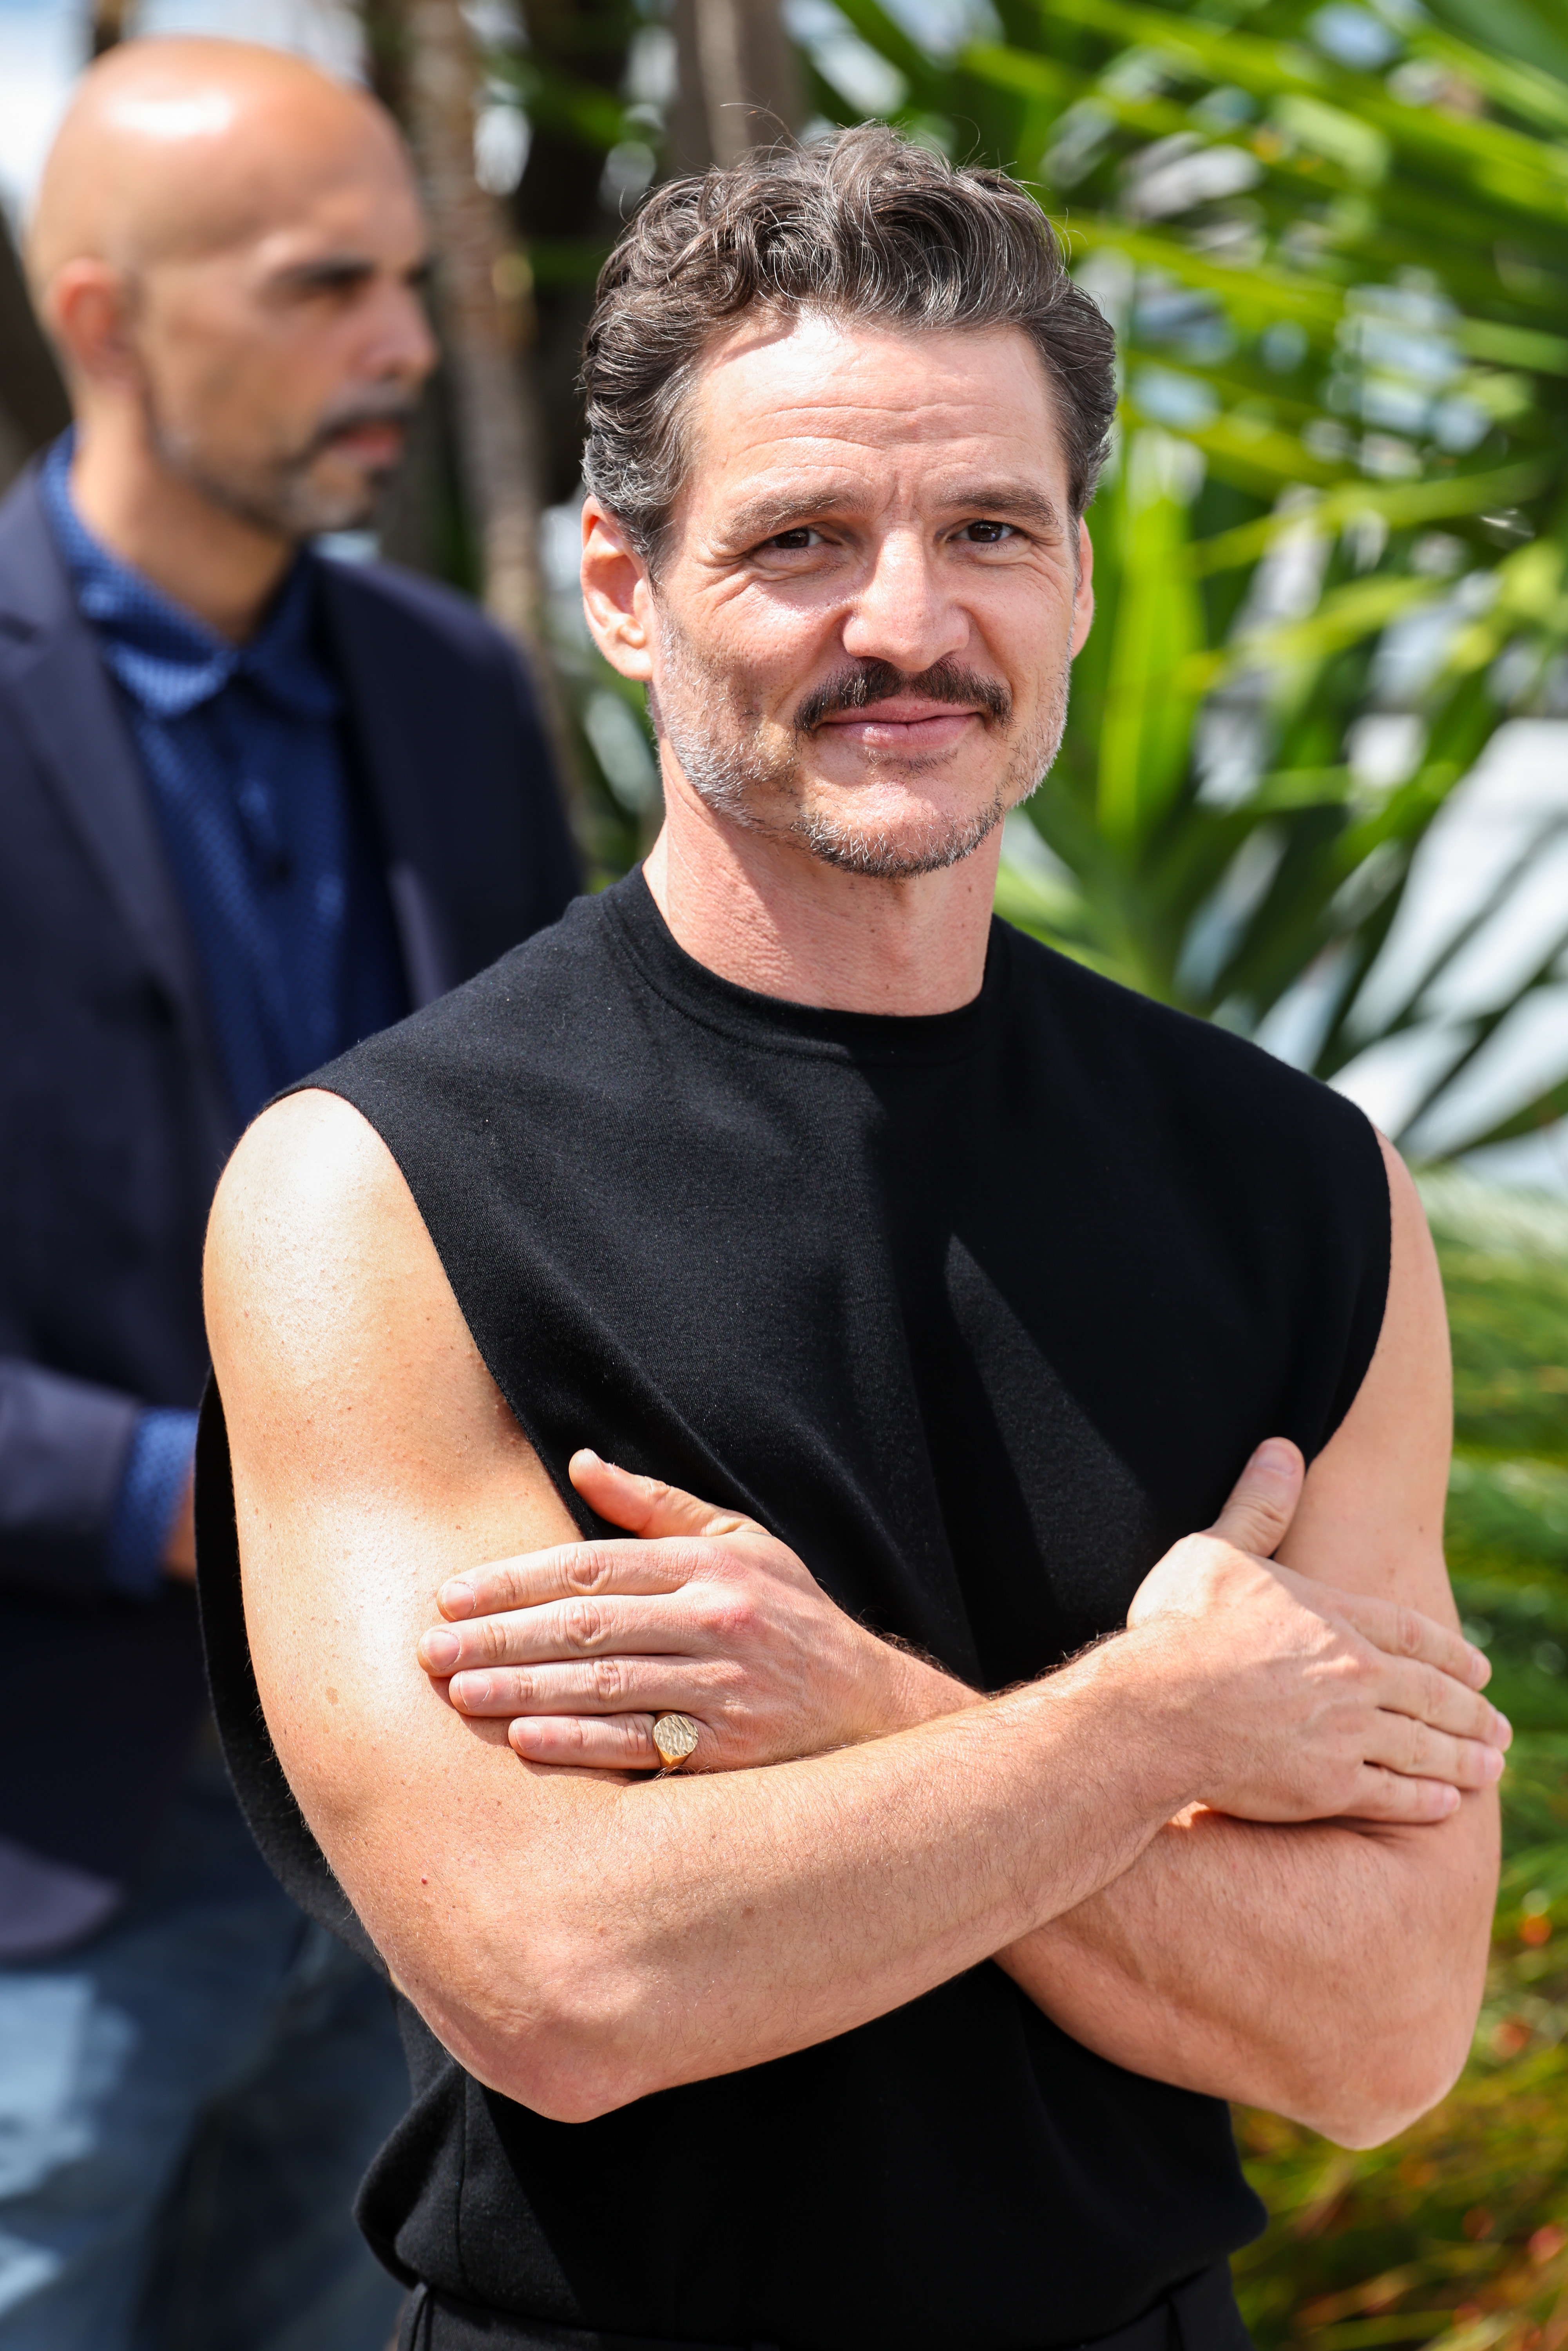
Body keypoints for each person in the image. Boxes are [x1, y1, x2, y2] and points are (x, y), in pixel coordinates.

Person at [199, 128, 1504, 2351]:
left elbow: (1373, 2039)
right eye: (799, 540)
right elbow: (569, 1980)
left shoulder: (1297, 1183)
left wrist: (850, 1711)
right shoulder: (372, 1192)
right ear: (622, 588)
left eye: (985, 529)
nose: (906, 623)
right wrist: (1153, 1733)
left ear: (1077, 575)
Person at [0, 35, 576, 2351]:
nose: (407, 352)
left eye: (412, 285)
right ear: (106, 316)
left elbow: (554, 1176)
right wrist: (188, 1494)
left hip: (418, 1844)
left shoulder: (452, 690)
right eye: (327, 285)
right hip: (52, 1852)